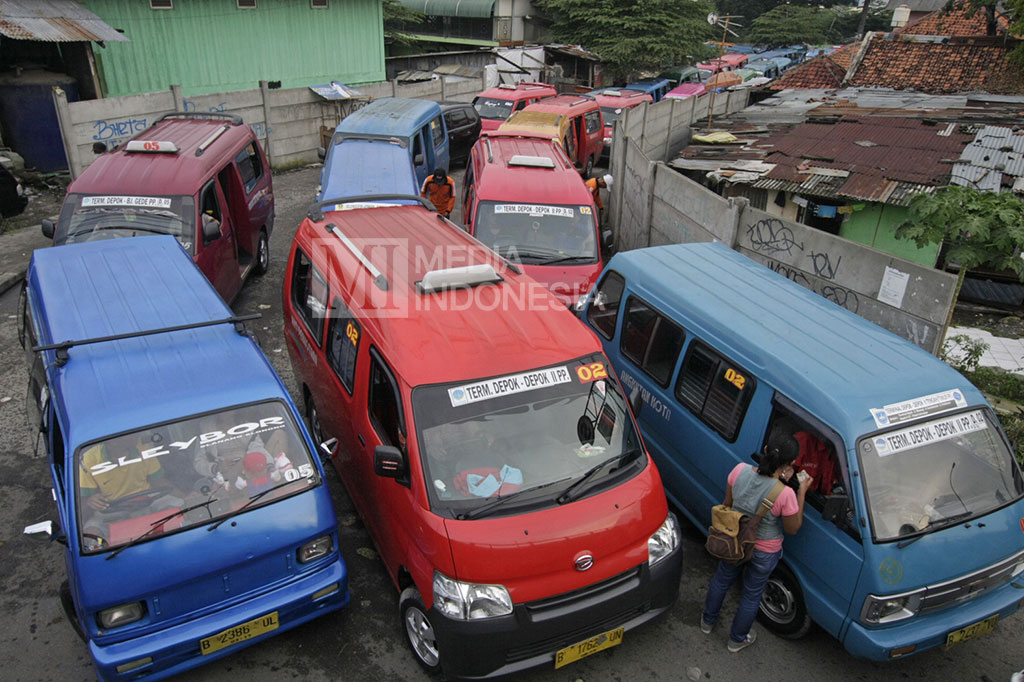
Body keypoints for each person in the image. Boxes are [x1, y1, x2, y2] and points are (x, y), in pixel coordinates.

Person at [700, 430, 812, 652]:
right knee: (751, 596)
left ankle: (707, 622)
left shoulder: (739, 471)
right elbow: (792, 528)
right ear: (791, 463)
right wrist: (802, 492)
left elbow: (728, 504)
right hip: (764, 551)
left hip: (733, 541)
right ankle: (736, 639)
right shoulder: (785, 494)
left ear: (766, 450)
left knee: (722, 579)